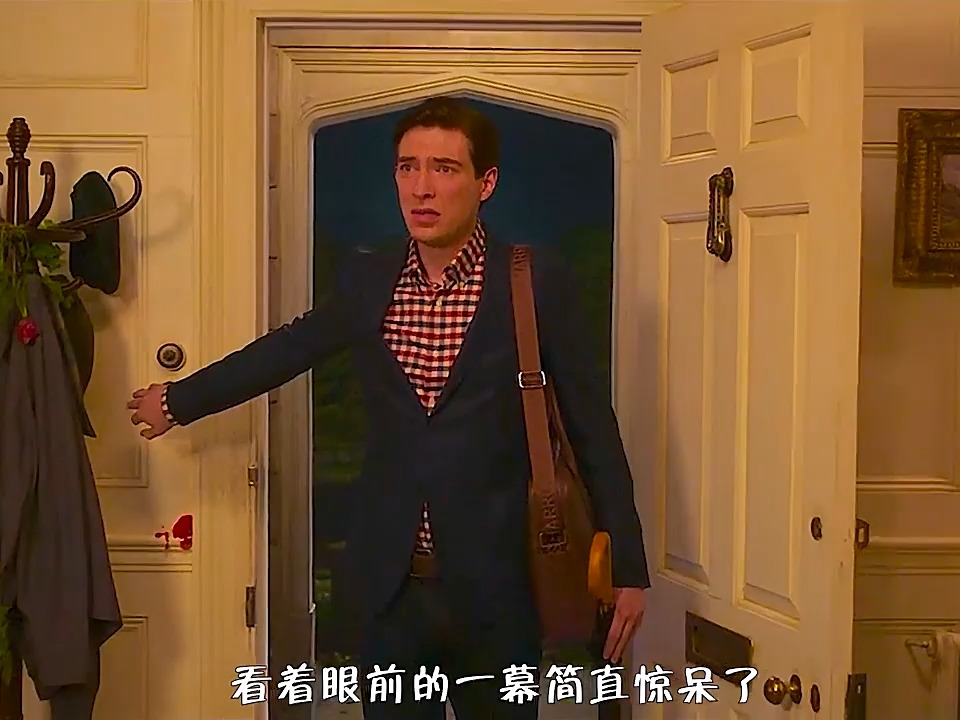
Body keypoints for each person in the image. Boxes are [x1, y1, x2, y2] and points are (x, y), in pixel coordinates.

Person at [127, 96, 650, 719]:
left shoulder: (532, 280)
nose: (421, 188)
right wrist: (179, 399)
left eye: (444, 168)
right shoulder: (370, 276)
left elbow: (593, 427)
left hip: (498, 590)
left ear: (486, 183)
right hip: (390, 593)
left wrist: (629, 568)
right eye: (408, 167)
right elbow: (288, 349)